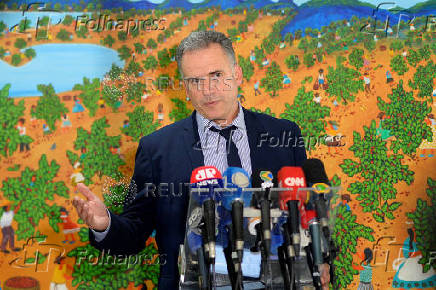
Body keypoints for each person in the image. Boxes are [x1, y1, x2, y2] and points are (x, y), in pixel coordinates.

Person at [72, 31, 329, 289]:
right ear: (185, 88)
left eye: (216, 76)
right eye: (195, 80)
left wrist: (321, 261)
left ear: (237, 75)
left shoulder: (283, 135)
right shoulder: (157, 149)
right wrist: (105, 224)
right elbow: (134, 232)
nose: (207, 90)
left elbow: (306, 216)